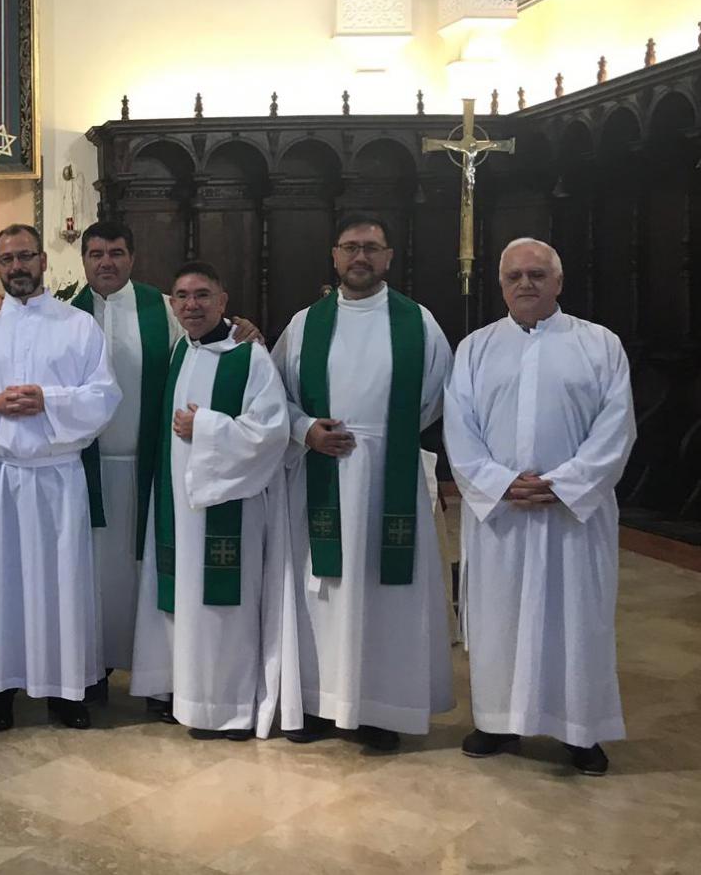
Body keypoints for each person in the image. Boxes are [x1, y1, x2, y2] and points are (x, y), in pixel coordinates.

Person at [0, 223, 260, 709]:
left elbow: (202, 342)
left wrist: (238, 328)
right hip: (76, 470)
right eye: (95, 253)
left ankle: (156, 674)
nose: (105, 262)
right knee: (86, 579)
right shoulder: (65, 309)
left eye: (116, 253)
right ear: (80, 259)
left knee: (146, 570)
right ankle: (89, 673)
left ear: (132, 257)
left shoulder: (161, 307)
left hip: (146, 465)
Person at [444, 238, 635, 776]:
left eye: (537, 274)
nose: (525, 284)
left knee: (577, 619)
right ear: (500, 284)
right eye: (514, 276)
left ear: (558, 281)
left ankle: (580, 730)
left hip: (573, 515)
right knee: (498, 618)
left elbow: (616, 427)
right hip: (502, 515)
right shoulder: (476, 348)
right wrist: (499, 483)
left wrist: (567, 482)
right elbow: (461, 429)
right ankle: (498, 719)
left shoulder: (599, 344)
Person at [271, 213, 454, 752]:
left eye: (372, 248)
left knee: (384, 593)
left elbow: (435, 396)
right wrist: (306, 430)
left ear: (389, 257)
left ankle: (379, 707)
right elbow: (274, 394)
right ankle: (319, 703)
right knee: (322, 591)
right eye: (350, 248)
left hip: (385, 479)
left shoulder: (418, 322)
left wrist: (382, 440)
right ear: (333, 256)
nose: (360, 258)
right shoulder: (306, 323)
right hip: (322, 473)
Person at [0, 224, 121, 731]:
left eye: (25, 256)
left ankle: (65, 692)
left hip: (56, 477)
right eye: (6, 260)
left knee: (61, 587)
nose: (16, 267)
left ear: (43, 260)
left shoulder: (78, 325)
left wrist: (50, 400)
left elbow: (103, 395)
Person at [128, 261, 295, 740]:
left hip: (229, 506)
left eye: (202, 295)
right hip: (179, 503)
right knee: (181, 602)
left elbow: (271, 433)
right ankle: (185, 693)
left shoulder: (250, 357)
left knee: (223, 607)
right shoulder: (183, 348)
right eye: (181, 296)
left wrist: (204, 427)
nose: (191, 305)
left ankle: (229, 709)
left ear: (223, 301)